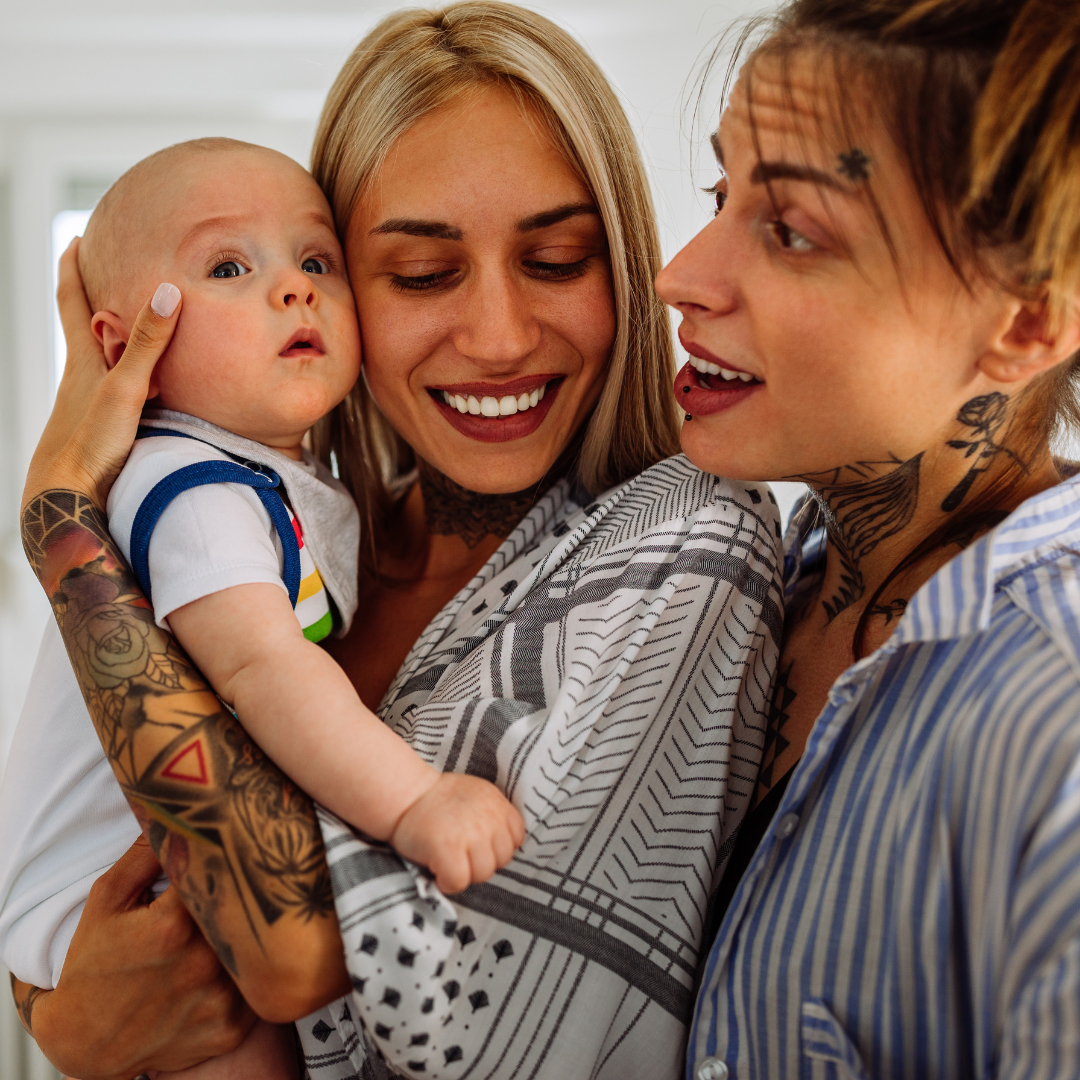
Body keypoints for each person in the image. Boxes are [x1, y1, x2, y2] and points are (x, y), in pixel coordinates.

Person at [3, 4, 784, 1079]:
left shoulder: (685, 541)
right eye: (420, 276)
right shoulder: (311, 532)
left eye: (557, 259)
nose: (501, 338)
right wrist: (58, 1013)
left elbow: (288, 964)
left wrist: (57, 518)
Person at [655, 0, 1080, 1076]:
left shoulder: (1057, 716)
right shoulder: (736, 581)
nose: (681, 275)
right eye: (721, 193)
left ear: (1026, 323)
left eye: (792, 231)